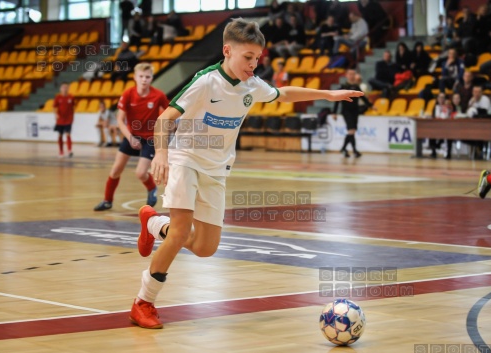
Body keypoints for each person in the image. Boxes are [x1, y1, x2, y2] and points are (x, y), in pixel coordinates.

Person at [129, 18, 363, 329]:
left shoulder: (253, 86)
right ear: (227, 51)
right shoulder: (205, 81)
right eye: (247, 58)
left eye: (257, 59)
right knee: (182, 233)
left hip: (216, 169)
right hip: (186, 158)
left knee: (205, 248)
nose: (253, 65)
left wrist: (327, 95)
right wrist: (161, 153)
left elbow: (283, 93)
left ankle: (155, 222)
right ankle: (143, 302)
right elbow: (164, 118)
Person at [94, 63, 169, 212]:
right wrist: (130, 138)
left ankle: (152, 187)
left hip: (149, 139)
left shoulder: (158, 95)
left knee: (141, 173)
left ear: (152, 78)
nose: (144, 80)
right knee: (115, 170)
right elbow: (120, 120)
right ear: (135, 77)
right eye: (141, 76)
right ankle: (107, 201)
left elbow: (168, 114)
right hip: (131, 136)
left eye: (147, 77)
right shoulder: (128, 94)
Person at [332, 69, 372, 158]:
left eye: (353, 74)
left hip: (355, 111)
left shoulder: (356, 86)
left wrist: (371, 105)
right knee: (351, 130)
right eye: (350, 74)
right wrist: (334, 112)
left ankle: (344, 149)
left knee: (353, 131)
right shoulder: (343, 86)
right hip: (346, 111)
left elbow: (363, 97)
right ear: (346, 75)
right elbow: (337, 99)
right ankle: (354, 150)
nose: (352, 76)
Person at [53, 82, 75, 158]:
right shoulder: (58, 97)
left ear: (68, 88)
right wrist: (56, 114)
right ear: (60, 88)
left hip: (68, 119)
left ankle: (69, 150)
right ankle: (61, 152)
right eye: (63, 87)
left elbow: (73, 107)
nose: (65, 89)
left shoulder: (71, 97)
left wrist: (72, 116)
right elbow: (54, 107)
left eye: (66, 87)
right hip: (60, 120)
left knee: (68, 134)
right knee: (60, 135)